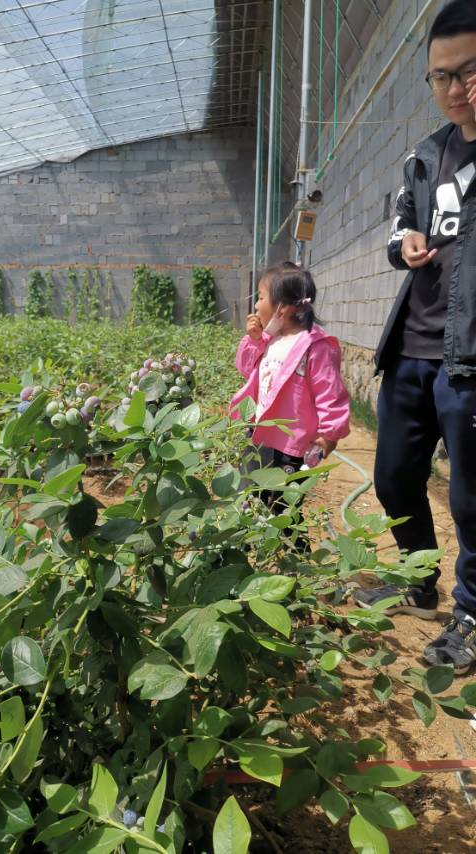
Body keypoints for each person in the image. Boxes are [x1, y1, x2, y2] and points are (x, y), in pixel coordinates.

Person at [354, 0, 476, 675]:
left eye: (470, 72)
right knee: (394, 477)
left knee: (470, 498)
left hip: (471, 358)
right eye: (441, 76)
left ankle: (472, 611)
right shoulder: (428, 155)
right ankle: (419, 581)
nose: (455, 88)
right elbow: (397, 227)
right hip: (413, 349)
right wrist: (404, 244)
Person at [230, 263, 350, 524]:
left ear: (283, 308)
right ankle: (242, 551)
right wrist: (254, 339)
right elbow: (244, 368)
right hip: (258, 435)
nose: (256, 305)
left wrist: (328, 436)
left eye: (261, 298)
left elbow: (331, 395)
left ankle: (292, 559)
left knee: (281, 513)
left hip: (292, 449)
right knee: (247, 501)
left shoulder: (315, 347)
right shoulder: (270, 340)